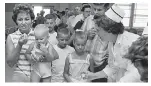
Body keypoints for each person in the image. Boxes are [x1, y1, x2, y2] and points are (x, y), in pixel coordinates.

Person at [86, 4, 140, 82]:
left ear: (108, 30)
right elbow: (113, 67)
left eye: (98, 30)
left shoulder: (131, 42)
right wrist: (93, 76)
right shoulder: (111, 43)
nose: (97, 34)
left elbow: (136, 73)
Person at [6, 3, 35, 82]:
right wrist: (19, 45)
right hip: (20, 73)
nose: (23, 22)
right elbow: (10, 63)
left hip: (37, 74)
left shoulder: (38, 35)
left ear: (32, 20)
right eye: (20, 19)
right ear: (16, 21)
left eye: (26, 19)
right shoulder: (11, 37)